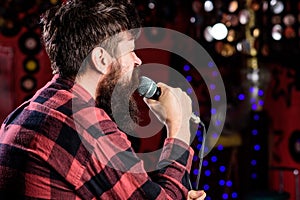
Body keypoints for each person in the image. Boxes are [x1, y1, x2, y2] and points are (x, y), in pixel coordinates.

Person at [0, 0, 206, 199]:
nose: (138, 60)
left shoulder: (27, 111)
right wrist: (177, 127)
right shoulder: (87, 126)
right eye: (129, 50)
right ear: (101, 59)